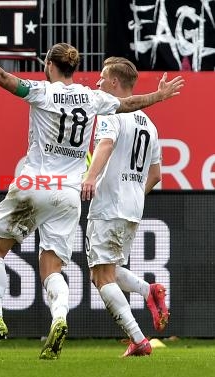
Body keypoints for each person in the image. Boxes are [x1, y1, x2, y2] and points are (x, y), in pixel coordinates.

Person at [0, 33, 183, 359]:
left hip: (35, 184)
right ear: (74, 68)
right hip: (69, 195)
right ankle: (59, 318)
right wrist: (158, 96)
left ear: (48, 65)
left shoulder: (41, 91)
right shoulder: (92, 99)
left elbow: (2, 78)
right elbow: (127, 104)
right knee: (52, 269)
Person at [81, 57, 169, 357]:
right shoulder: (150, 124)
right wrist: (134, 191)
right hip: (132, 207)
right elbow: (156, 174)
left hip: (108, 203)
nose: (97, 83)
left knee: (99, 275)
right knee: (111, 269)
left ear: (115, 83)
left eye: (102, 78)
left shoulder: (109, 110)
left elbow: (105, 143)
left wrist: (91, 179)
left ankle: (139, 340)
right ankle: (148, 291)